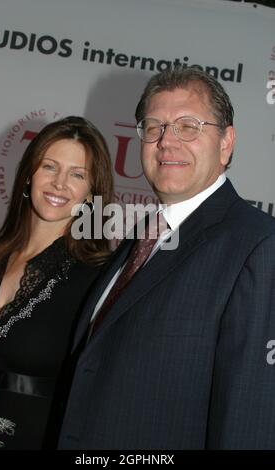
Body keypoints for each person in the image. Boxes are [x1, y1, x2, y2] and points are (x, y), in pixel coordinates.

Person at [58, 67, 275, 450]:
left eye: (188, 127)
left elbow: (249, 417)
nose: (166, 142)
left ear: (226, 143)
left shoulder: (258, 245)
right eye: (153, 126)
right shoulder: (139, 239)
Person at [0, 115, 113, 450]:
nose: (59, 183)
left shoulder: (98, 279)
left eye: (77, 174)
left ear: (92, 193)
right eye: (49, 167)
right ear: (28, 175)